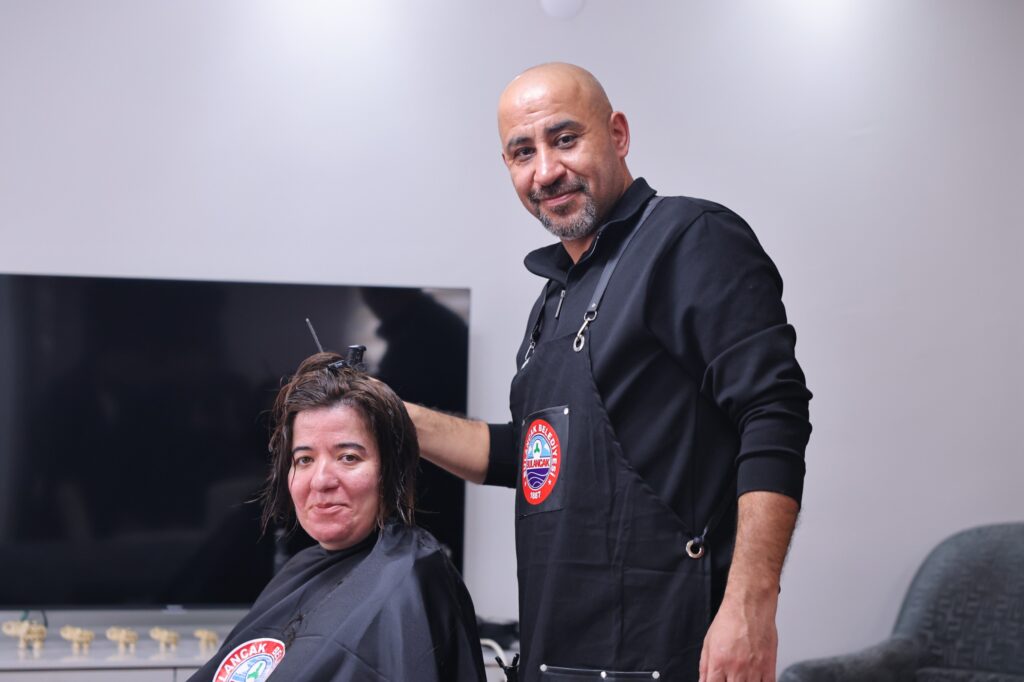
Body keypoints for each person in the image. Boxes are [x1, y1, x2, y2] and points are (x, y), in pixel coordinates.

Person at [404, 62, 812, 681]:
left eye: (565, 139)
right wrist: (393, 418)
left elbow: (774, 413)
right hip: (560, 653)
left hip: (665, 651)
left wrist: (751, 607)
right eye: (523, 152)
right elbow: (536, 458)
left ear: (617, 134)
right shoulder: (554, 298)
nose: (546, 170)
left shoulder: (691, 240)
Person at [189, 352, 486, 682]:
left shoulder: (408, 585)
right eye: (304, 460)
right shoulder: (299, 570)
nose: (320, 481)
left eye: (348, 457)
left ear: (391, 471)